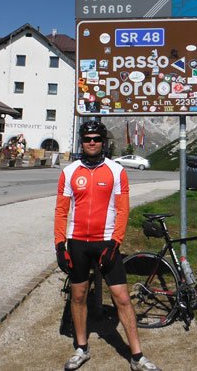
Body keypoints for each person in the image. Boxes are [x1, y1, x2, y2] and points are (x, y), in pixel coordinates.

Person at [54, 120, 161, 371]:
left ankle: (137, 356)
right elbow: (61, 211)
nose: (92, 142)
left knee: (122, 298)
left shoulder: (116, 171)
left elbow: (123, 211)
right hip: (77, 242)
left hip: (106, 243)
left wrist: (115, 243)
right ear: (81, 142)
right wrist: (60, 246)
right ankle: (81, 349)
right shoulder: (69, 172)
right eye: (87, 138)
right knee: (78, 296)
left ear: (104, 142)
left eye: (97, 139)